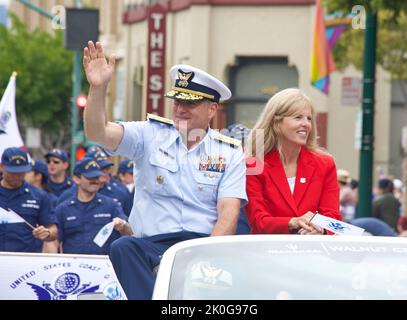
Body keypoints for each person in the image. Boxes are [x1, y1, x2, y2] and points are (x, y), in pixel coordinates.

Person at [82, 41, 247, 299]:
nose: (180, 108)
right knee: (123, 248)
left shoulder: (229, 151)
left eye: (190, 103)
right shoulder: (149, 134)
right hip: (152, 244)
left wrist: (208, 256)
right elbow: (97, 132)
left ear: (212, 109)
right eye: (177, 101)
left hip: (199, 244)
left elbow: (228, 213)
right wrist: (98, 88)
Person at [244, 88, 341, 235]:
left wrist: (321, 230)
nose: (306, 124)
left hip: (313, 252)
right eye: (298, 117)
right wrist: (292, 222)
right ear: (276, 123)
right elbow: (258, 220)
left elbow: (332, 217)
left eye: (308, 118)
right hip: (268, 252)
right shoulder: (253, 164)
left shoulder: (325, 164)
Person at [53, 157, 132, 255]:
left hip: (104, 266)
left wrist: (122, 225)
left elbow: (129, 232)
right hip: (73, 267)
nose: (95, 181)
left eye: (97, 177)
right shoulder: (63, 209)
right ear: (77, 179)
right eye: (90, 177)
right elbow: (54, 240)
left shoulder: (111, 205)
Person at [0, 147, 58, 252]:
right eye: (12, 172)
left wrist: (47, 233)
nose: (17, 176)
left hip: (25, 261)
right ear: (2, 167)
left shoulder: (39, 196)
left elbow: (53, 230)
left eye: (21, 172)